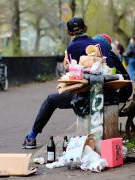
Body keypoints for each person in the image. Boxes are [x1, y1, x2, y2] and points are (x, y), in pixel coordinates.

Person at [22, 17, 115, 149]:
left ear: (70, 33)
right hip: (105, 93)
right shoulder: (99, 45)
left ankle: (31, 137)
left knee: (50, 100)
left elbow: (74, 74)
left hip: (85, 95)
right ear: (85, 28)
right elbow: (109, 68)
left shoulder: (72, 47)